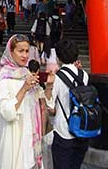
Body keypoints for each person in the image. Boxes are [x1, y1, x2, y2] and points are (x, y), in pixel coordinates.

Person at [0, 34, 43, 169]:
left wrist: (48, 87)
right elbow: (6, 112)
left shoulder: (26, 74)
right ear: (11, 52)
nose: (25, 55)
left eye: (27, 51)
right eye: (20, 51)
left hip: (29, 138)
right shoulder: (3, 78)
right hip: (13, 138)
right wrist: (24, 89)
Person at [44, 40, 88, 169]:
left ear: (58, 57)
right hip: (82, 130)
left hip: (64, 131)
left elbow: (50, 106)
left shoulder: (57, 77)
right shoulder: (84, 74)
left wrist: (48, 86)